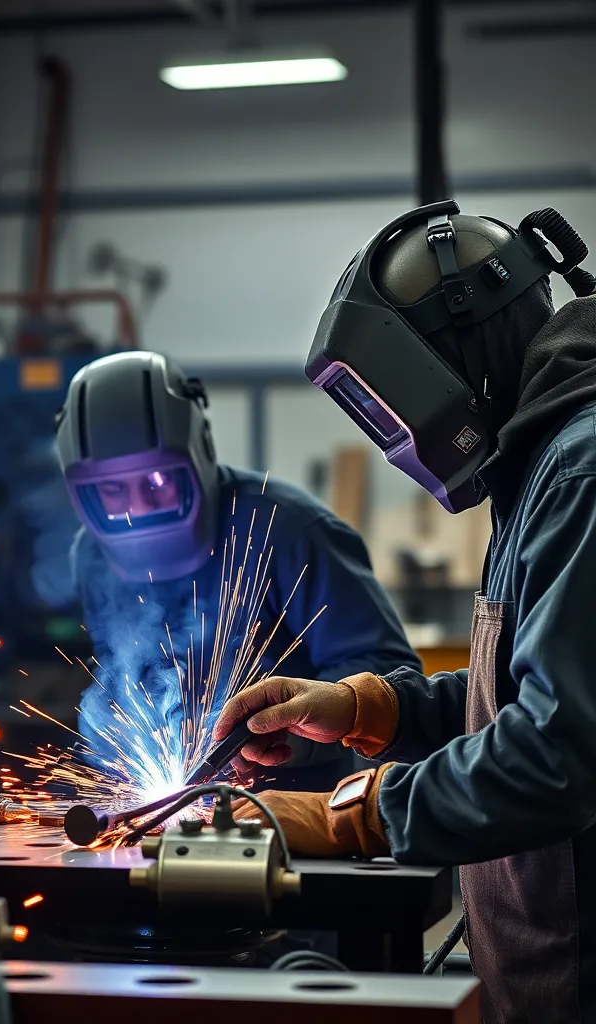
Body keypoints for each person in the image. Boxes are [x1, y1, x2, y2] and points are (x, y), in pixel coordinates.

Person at [213, 200, 596, 1023]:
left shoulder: (581, 471)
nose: (400, 439)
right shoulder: (541, 461)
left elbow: (559, 754)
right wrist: (365, 707)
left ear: (459, 356)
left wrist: (351, 815)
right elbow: (534, 699)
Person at [52, 350, 420, 792]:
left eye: (156, 482)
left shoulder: (290, 532)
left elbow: (391, 681)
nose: (138, 508)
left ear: (198, 451)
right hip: (174, 804)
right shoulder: (91, 557)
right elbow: (123, 676)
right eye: (111, 490)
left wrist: (283, 730)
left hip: (300, 805)